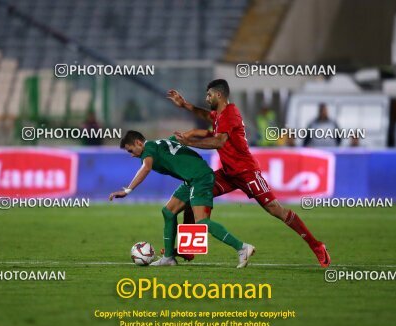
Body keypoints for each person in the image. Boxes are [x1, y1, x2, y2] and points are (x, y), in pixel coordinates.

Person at [167, 79, 330, 267]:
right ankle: (189, 250)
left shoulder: (230, 114)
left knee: (276, 210)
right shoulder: (220, 115)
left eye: (209, 95)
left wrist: (190, 143)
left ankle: (317, 245)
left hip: (247, 173)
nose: (207, 98)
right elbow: (206, 115)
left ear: (219, 95)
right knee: (195, 195)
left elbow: (218, 142)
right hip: (229, 173)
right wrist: (185, 105)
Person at [109, 130, 255, 268]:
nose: (132, 155)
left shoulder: (148, 149)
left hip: (200, 178)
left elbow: (146, 168)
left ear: (139, 143)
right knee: (168, 211)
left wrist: (127, 190)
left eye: (131, 150)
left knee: (202, 221)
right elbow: (191, 132)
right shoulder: (163, 142)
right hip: (191, 180)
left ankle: (242, 247)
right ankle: (168, 257)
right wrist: (210, 132)